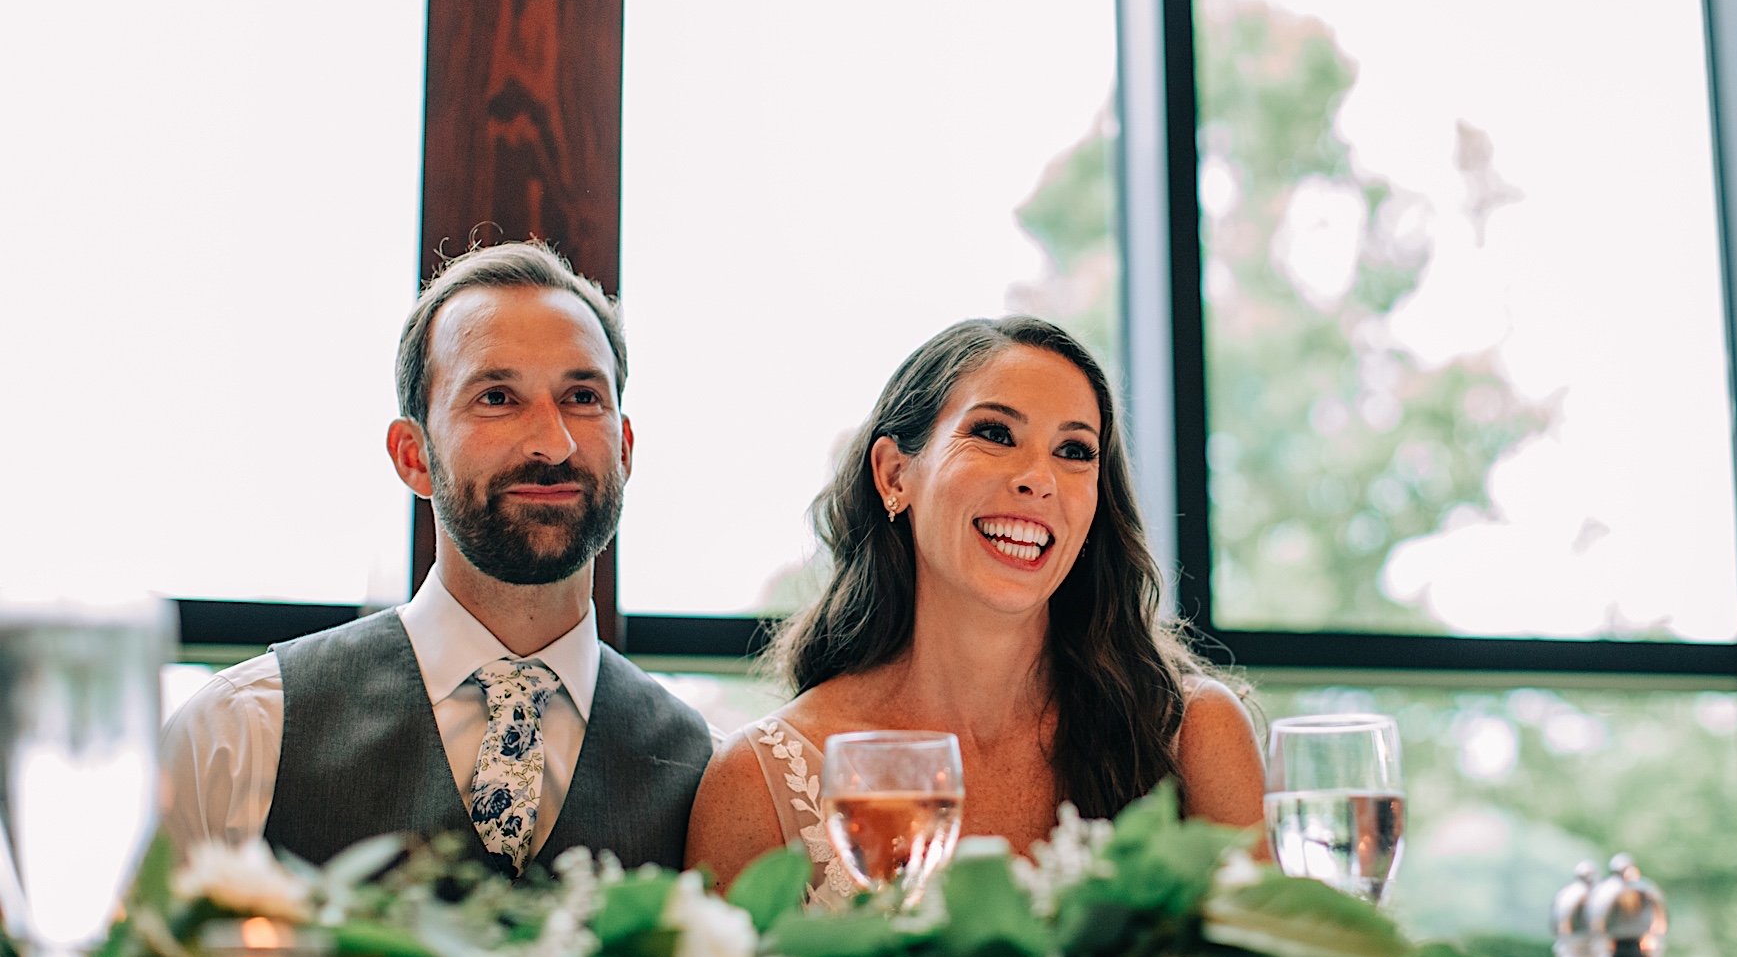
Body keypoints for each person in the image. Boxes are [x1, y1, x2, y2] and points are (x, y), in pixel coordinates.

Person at [161, 241, 711, 877]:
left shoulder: (705, 771)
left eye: (582, 397)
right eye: (497, 397)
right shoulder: (237, 737)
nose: (552, 443)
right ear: (413, 456)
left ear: (625, 448)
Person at [685, 316, 1264, 903]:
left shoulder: (1191, 735)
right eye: (995, 434)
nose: (1039, 479)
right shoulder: (759, 780)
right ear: (893, 475)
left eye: (1073, 450)